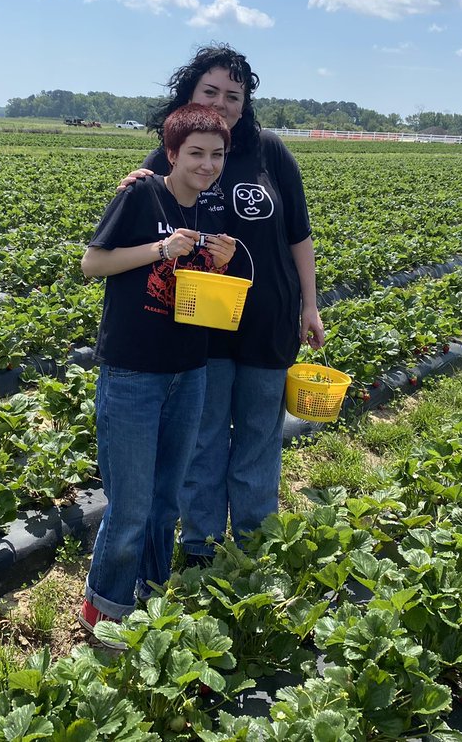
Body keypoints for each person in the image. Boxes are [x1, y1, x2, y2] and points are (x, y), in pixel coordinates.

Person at [126, 44, 324, 565]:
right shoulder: (174, 150)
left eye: (233, 95)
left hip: (268, 317)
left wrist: (310, 305)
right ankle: (202, 546)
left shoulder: (269, 151)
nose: (221, 103)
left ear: (245, 103)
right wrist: (132, 186)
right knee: (204, 438)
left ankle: (255, 542)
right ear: (189, 94)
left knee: (259, 435)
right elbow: (140, 212)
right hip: (201, 323)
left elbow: (299, 234)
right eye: (210, 91)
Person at [79, 102, 237, 643]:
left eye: (217, 155)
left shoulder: (211, 211)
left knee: (167, 497)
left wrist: (220, 263)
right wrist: (159, 249)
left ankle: (150, 592)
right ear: (171, 153)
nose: (207, 164)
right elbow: (93, 264)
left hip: (189, 370)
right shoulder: (141, 195)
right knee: (131, 502)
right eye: (195, 153)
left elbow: (199, 289)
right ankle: (104, 608)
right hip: (133, 370)